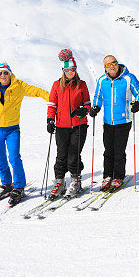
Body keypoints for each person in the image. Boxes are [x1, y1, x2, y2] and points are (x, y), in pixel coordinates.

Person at [0, 62, 50, 205]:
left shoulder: (19, 86)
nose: (2, 76)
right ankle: (6, 185)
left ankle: (19, 186)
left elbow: (38, 92)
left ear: (10, 73)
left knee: (14, 157)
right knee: (0, 157)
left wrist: (54, 100)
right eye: (0, 73)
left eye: (5, 73)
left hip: (12, 129)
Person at [89, 54, 139, 190]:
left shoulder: (128, 78)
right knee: (108, 150)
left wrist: (137, 103)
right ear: (105, 68)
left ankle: (118, 176)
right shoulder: (102, 80)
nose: (111, 66)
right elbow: (98, 96)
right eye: (108, 65)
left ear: (117, 63)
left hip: (124, 120)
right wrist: (96, 106)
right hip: (108, 121)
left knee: (119, 151)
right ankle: (107, 176)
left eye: (113, 63)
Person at [46, 55, 91, 197]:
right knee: (61, 156)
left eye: (72, 69)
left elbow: (87, 104)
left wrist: (84, 110)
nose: (70, 72)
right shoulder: (56, 85)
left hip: (79, 126)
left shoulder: (82, 84)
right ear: (63, 70)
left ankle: (75, 181)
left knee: (73, 155)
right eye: (67, 70)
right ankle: (59, 182)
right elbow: (52, 105)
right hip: (61, 127)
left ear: (76, 70)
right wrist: (50, 120)